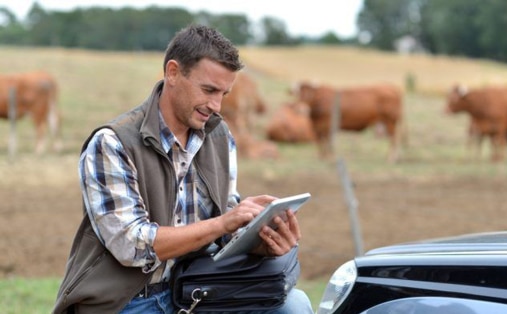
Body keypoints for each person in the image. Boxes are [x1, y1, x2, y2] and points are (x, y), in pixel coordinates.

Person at [53, 24, 314, 314]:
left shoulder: (219, 136)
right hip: (128, 301)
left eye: (224, 94)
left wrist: (260, 239)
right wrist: (224, 222)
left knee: (295, 305)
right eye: (209, 90)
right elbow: (132, 246)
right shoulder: (112, 143)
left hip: (197, 288)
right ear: (173, 73)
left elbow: (225, 224)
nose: (216, 105)